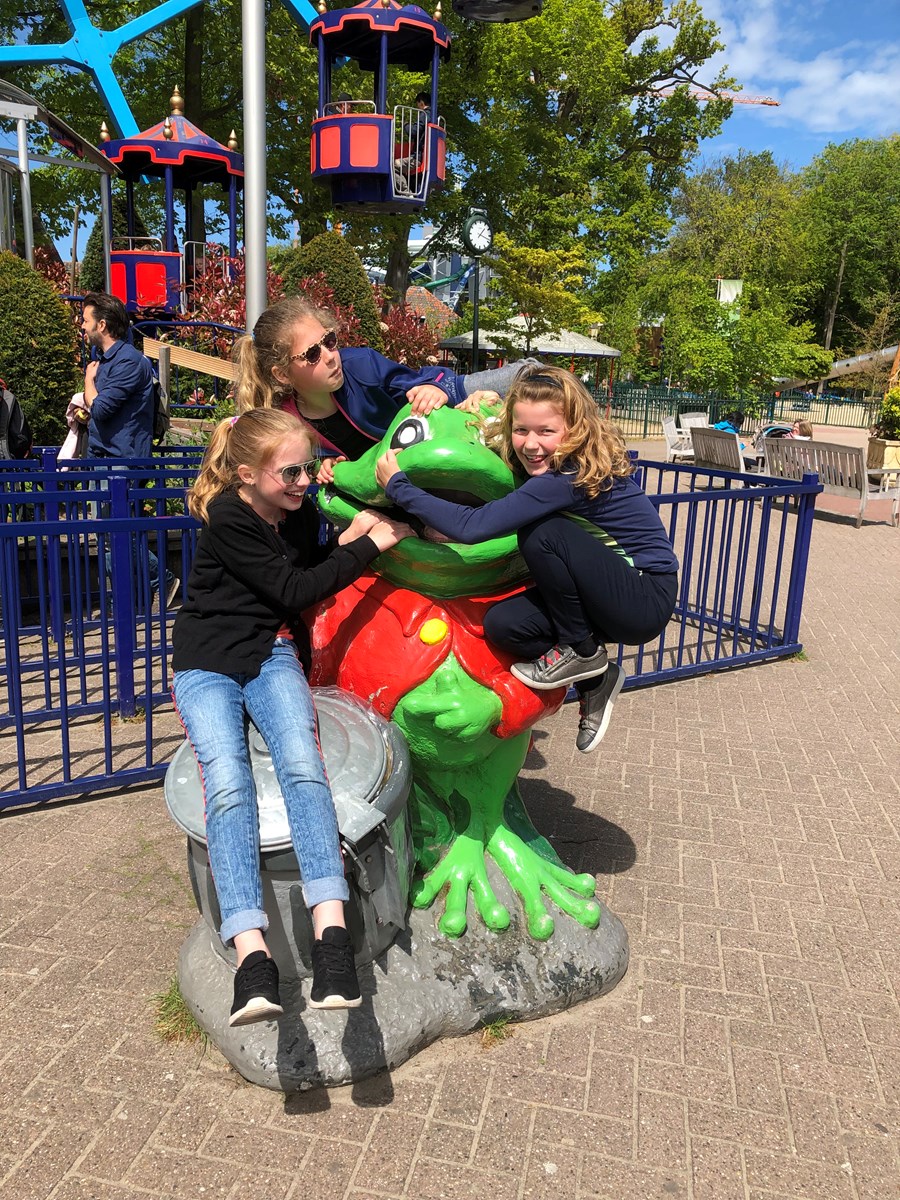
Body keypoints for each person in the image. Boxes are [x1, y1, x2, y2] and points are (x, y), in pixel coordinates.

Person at [171, 408, 413, 1025]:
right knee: (228, 783)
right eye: (291, 472)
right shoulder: (229, 517)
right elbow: (296, 589)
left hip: (271, 652)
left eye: (309, 467)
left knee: (303, 766)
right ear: (247, 475)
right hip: (208, 663)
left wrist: (359, 524)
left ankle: (332, 936)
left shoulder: (296, 509)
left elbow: (314, 561)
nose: (305, 481)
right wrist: (369, 544)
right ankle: (252, 956)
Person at [375, 366, 679, 753]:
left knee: (542, 532)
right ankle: (596, 679)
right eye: (521, 430)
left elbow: (472, 527)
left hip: (643, 597)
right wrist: (482, 404)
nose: (531, 444)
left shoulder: (567, 476)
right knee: (506, 626)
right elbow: (500, 426)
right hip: (607, 593)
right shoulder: (548, 465)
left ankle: (580, 651)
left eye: (546, 432)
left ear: (575, 430)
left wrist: (399, 487)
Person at [233, 295, 533, 481]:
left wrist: (437, 389)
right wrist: (322, 465)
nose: (330, 356)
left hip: (436, 427)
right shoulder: (288, 418)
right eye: (312, 354)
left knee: (526, 374)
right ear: (283, 375)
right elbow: (297, 466)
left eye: (330, 341)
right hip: (391, 481)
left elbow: (421, 381)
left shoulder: (360, 366)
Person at [80, 292, 179, 607]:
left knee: (117, 532)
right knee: (108, 534)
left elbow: (101, 408)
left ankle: (159, 579)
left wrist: (88, 382)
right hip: (103, 457)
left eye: (86, 320)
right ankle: (126, 597)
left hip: (122, 461)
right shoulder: (106, 360)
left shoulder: (129, 362)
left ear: (102, 324)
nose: (82, 326)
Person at [394, 91, 430, 186]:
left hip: (418, 156)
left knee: (392, 166)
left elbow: (414, 131)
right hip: (424, 155)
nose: (417, 107)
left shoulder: (425, 114)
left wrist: (406, 125)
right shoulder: (433, 116)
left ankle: (405, 191)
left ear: (421, 102)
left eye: (417, 104)